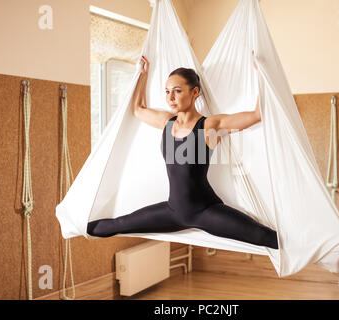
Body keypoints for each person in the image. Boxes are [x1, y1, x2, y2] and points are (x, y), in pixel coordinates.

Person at [87, 52, 279, 249]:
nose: (170, 97)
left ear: (194, 93)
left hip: (207, 212)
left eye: (177, 91)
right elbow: (137, 109)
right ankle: (75, 223)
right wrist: (142, 74)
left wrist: (261, 73)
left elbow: (257, 114)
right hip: (172, 212)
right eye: (167, 91)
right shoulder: (166, 122)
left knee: (268, 237)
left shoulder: (210, 125)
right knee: (111, 226)